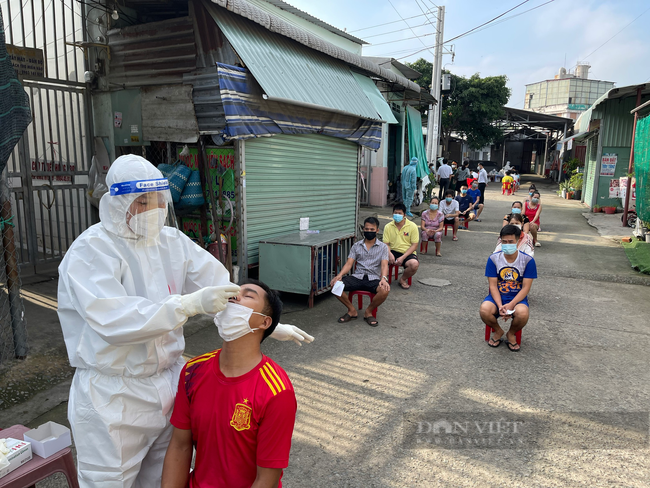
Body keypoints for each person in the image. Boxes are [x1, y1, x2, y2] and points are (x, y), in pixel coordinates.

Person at [57, 155, 312, 488]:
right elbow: (116, 322)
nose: (154, 208)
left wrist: (265, 323)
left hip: (169, 382)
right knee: (109, 482)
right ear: (119, 202)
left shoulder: (171, 242)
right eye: (143, 201)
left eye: (160, 199)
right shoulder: (91, 251)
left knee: (162, 476)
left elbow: (221, 291)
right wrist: (189, 303)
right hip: (114, 395)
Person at [162, 280, 296, 488]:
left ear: (264, 322)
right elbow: (180, 446)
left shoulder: (277, 391)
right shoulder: (192, 371)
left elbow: (266, 478)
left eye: (248, 295)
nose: (234, 297)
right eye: (233, 293)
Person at [480, 224, 537, 352]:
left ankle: (511, 333)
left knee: (522, 314)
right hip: (497, 297)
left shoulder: (528, 261)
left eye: (511, 241)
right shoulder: (493, 259)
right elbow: (493, 285)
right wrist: (500, 305)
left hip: (517, 298)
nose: (507, 244)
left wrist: (511, 304)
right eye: (504, 241)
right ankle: (498, 330)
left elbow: (525, 288)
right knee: (484, 310)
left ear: (518, 241)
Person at [330, 217, 389, 326]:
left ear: (377, 230)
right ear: (363, 230)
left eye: (372, 230)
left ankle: (368, 312)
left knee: (385, 290)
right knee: (335, 285)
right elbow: (349, 264)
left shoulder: (383, 247)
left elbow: (384, 265)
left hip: (373, 278)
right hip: (357, 277)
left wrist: (384, 278)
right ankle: (352, 310)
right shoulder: (356, 245)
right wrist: (339, 275)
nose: (369, 231)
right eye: (366, 229)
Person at [383, 203, 419, 289]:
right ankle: (382, 279)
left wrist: (403, 257)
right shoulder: (388, 226)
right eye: (395, 213)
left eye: (400, 213)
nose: (397, 215)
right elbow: (385, 244)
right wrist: (389, 254)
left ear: (404, 215)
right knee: (377, 260)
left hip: (407, 253)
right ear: (392, 214)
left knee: (414, 264)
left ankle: (402, 279)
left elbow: (414, 245)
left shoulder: (412, 226)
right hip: (392, 251)